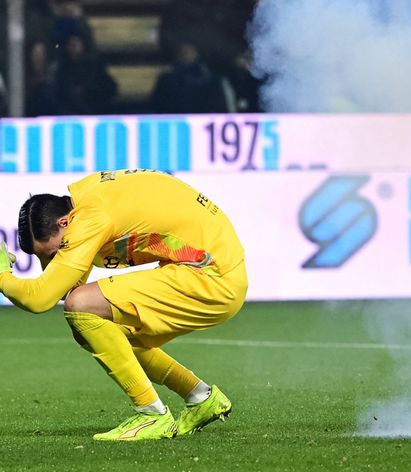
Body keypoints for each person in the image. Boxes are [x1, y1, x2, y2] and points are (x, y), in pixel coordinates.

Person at [0, 169, 248, 441]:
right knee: (96, 329)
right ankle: (201, 397)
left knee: (81, 306)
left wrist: (2, 275)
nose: (51, 262)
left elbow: (39, 300)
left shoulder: (91, 218)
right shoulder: (87, 203)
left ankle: (152, 414)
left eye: (55, 252)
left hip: (212, 276)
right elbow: (63, 288)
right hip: (214, 269)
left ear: (63, 222)